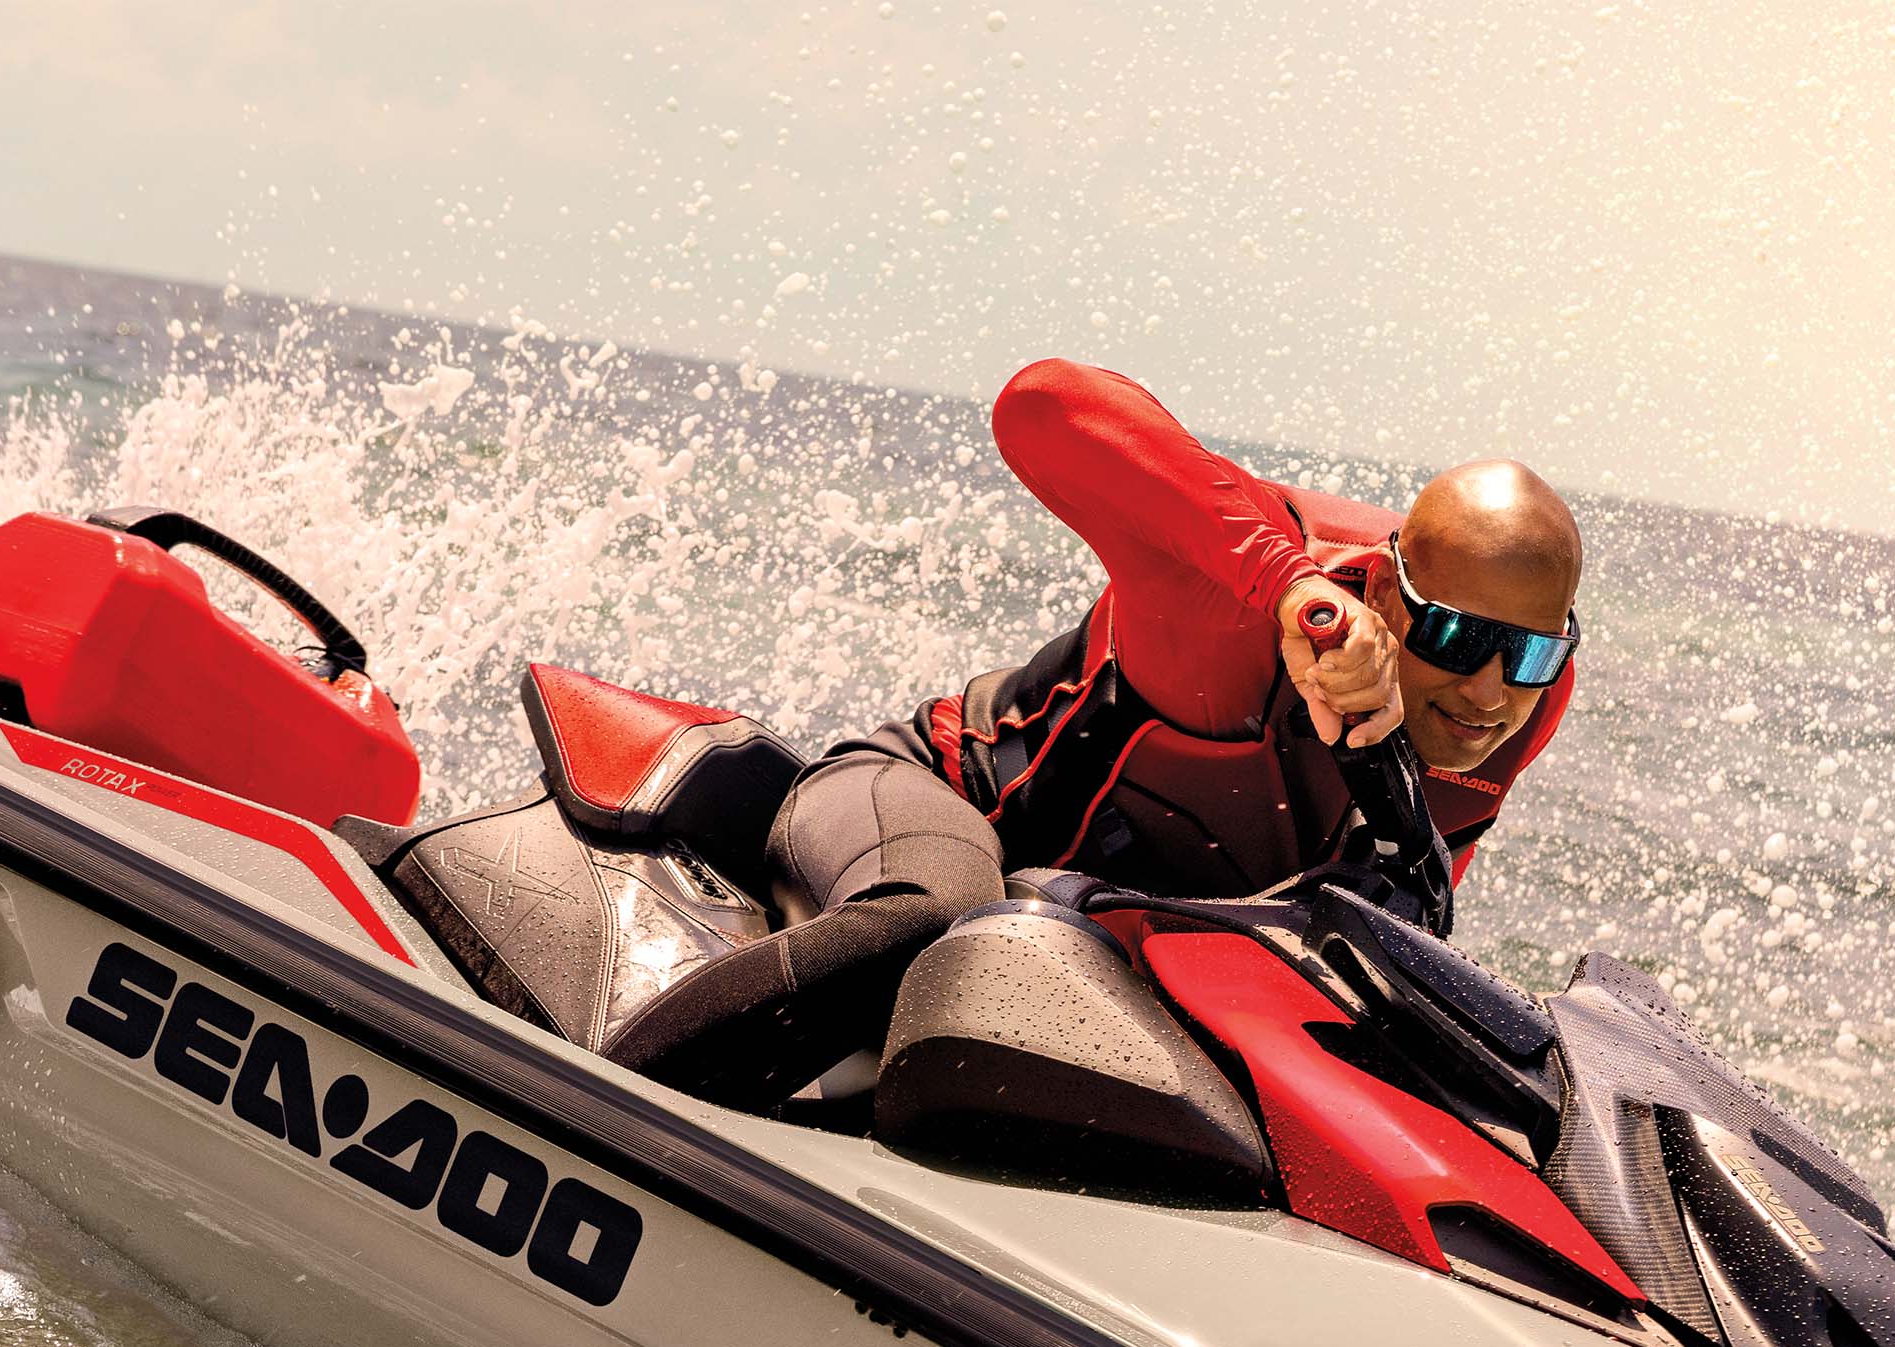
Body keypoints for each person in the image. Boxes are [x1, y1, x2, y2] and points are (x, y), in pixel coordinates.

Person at [607, 359, 1584, 1101]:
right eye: (1458, 637)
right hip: (933, 808)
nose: (1492, 693)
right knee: (930, 932)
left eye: (1533, 654)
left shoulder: (1503, 709)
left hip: (1082, 931)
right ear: (1379, 589)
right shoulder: (1228, 606)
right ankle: (611, 1123)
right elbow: (1039, 403)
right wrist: (1287, 591)